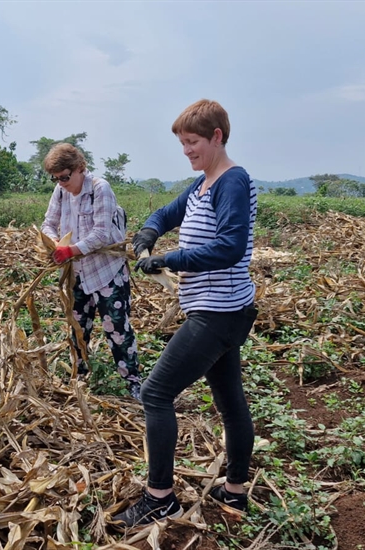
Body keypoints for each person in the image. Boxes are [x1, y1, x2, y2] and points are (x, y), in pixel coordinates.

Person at [111, 99, 258, 529]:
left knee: (155, 394)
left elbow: (230, 246)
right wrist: (147, 237)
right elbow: (164, 214)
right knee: (230, 402)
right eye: (182, 143)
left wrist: (169, 259)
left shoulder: (232, 181)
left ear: (216, 137)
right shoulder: (203, 184)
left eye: (192, 142)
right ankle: (234, 491)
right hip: (225, 310)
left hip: (218, 313)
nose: (186, 151)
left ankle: (160, 499)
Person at [40, 143, 142, 401]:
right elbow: (48, 223)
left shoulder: (100, 189)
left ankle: (132, 382)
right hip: (77, 273)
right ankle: (79, 376)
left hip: (107, 272)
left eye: (65, 177)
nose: (61, 183)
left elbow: (101, 234)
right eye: (56, 178)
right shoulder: (61, 192)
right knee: (77, 328)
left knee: (117, 329)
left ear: (80, 169)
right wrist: (54, 243)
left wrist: (71, 250)